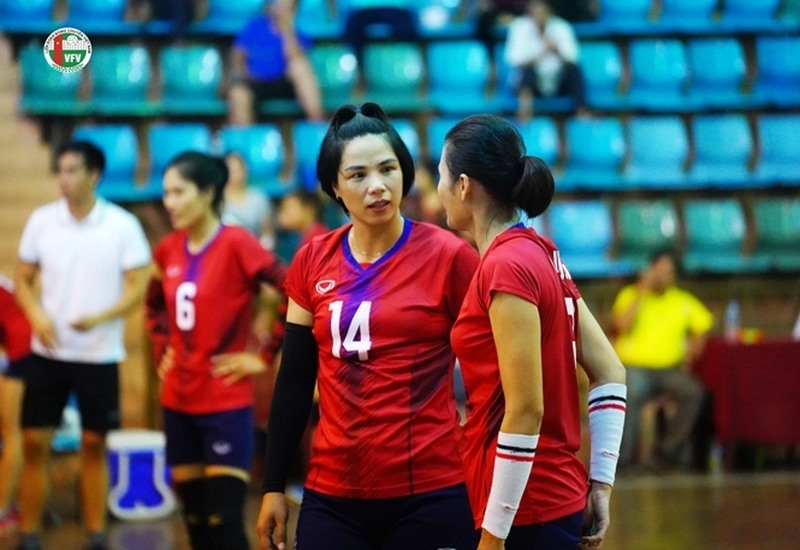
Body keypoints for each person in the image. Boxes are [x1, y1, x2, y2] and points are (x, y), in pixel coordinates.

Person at [256, 102, 480, 550]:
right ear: (335, 189)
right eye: (358, 175)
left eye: (387, 169)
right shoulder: (311, 259)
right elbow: (296, 381)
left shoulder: (450, 255)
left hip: (431, 490)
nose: (377, 186)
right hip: (333, 493)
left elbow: (492, 373)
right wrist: (273, 485)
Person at [436, 113, 627, 549]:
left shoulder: (506, 265)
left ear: (464, 186)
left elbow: (526, 410)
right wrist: (600, 483)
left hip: (523, 510)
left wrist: (494, 536)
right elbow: (611, 372)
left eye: (442, 177)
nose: (439, 191)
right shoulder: (542, 251)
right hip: (550, 499)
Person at [145, 151, 287, 550]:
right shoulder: (168, 250)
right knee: (194, 523)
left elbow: (293, 290)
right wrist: (161, 348)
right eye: (165, 193)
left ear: (208, 192)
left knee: (224, 523)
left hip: (225, 400)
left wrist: (262, 355)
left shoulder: (237, 243)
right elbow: (153, 303)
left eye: (178, 192)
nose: (169, 202)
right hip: (178, 399)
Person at [14, 141, 152, 550]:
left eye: (73, 170)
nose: (64, 178)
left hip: (98, 354)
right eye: (61, 170)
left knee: (95, 443)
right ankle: (30, 534)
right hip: (49, 354)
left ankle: (95, 534)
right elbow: (22, 277)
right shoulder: (42, 221)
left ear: (94, 175)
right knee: (34, 441)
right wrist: (37, 316)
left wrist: (103, 315)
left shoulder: (121, 225)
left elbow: (139, 285)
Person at [612, 249, 712, 473]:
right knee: (631, 392)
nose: (663, 276)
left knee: (694, 392)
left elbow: (704, 325)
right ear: (650, 270)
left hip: (670, 370)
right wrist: (642, 291)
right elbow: (621, 326)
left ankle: (667, 452)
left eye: (668, 272)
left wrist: (693, 349)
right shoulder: (630, 295)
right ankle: (624, 460)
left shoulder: (682, 300)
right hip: (635, 367)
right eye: (659, 271)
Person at [228, 0, 324, 126]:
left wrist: (287, 31)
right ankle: (244, 142)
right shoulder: (254, 27)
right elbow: (238, 57)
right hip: (255, 82)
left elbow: (295, 58)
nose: (281, 8)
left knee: (299, 66)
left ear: (294, 10)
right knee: (238, 93)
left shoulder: (298, 35)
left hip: (284, 83)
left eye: (287, 6)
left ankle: (318, 127)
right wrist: (245, 74)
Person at [504, 0, 586, 120]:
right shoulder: (519, 26)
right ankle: (525, 112)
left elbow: (574, 58)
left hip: (558, 81)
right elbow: (514, 60)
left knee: (574, 70)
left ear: (549, 10)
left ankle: (581, 111)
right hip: (532, 83)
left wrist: (557, 51)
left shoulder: (561, 26)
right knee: (525, 71)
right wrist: (540, 54)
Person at [0, 274, 32, 536]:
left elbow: (17, 329)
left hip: (21, 356)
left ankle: (2, 510)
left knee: (11, 434)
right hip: (19, 352)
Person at [222, 151, 276, 246]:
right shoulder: (216, 200)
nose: (234, 175)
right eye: (230, 170)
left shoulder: (259, 198)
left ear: (245, 169)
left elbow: (267, 233)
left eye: (237, 170)